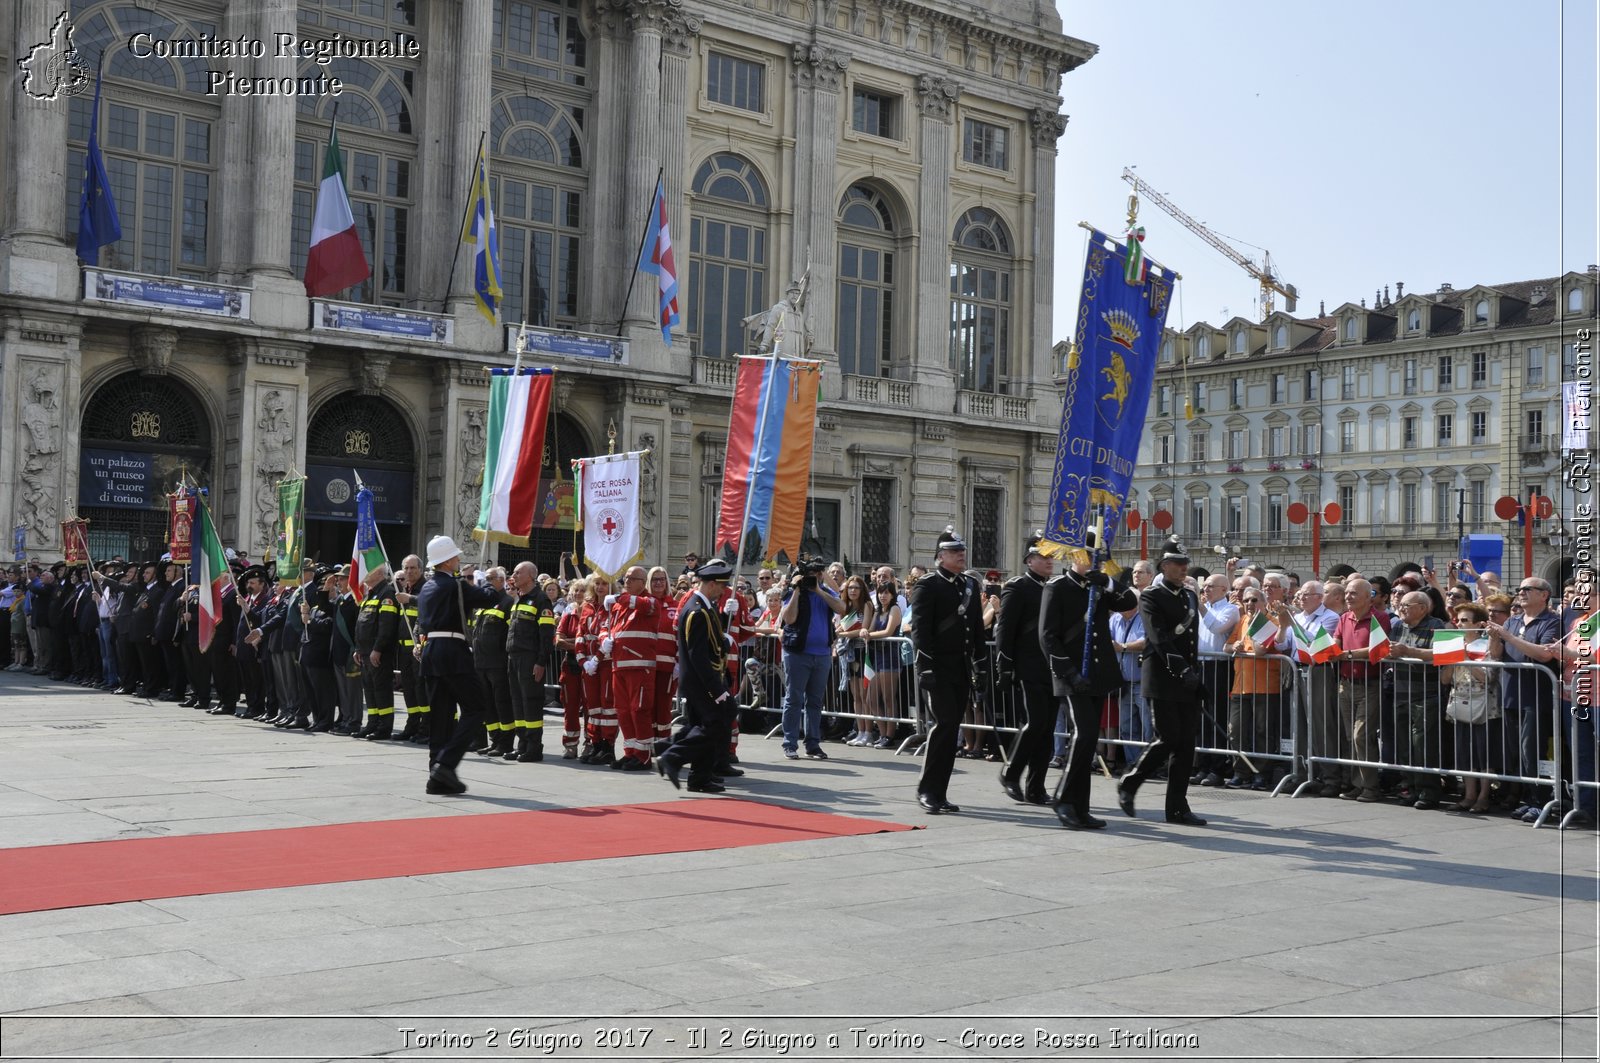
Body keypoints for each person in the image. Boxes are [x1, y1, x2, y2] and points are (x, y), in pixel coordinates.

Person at [1042, 541, 1135, 829]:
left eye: (1100, 558)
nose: (1096, 562)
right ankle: (1065, 798)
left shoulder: (1099, 587)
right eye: (1091, 557)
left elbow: (1130, 603)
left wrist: (1109, 582)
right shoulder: (1056, 588)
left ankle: (1080, 807)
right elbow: (1048, 637)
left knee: (1089, 738)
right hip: (1071, 676)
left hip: (1096, 675)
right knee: (1083, 736)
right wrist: (1069, 673)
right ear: (1074, 557)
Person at [1116, 538, 1208, 826]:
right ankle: (1131, 781)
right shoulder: (1151, 596)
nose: (1184, 569)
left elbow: (1190, 641)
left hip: (1185, 678)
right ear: (1164, 566)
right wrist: (1182, 670)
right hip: (1162, 678)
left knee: (1185, 745)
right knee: (1166, 738)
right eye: (1179, 565)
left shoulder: (1189, 596)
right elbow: (1158, 638)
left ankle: (1177, 808)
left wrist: (1193, 673)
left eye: (1185, 564)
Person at [417, 535, 503, 795]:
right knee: (476, 708)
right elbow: (488, 599)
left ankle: (437, 776)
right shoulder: (454, 585)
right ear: (447, 560)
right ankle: (446, 763)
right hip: (452, 651)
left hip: (432, 652)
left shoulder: (427, 588)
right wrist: (487, 581)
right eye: (455, 556)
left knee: (440, 716)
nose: (458, 559)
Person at [910, 529, 986, 814]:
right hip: (938, 667)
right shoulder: (927, 585)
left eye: (962, 551)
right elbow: (921, 630)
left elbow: (976, 628)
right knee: (944, 726)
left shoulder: (968, 585)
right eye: (955, 552)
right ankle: (928, 790)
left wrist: (981, 665)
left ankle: (940, 792)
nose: (961, 555)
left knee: (952, 727)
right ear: (941, 557)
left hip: (961, 668)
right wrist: (925, 666)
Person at [657, 558, 739, 793]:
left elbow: (710, 643)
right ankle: (672, 756)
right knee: (715, 724)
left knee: (703, 725)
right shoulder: (697, 611)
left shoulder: (704, 608)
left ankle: (699, 776)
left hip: (703, 680)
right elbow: (698, 656)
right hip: (701, 682)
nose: (723, 591)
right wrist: (717, 689)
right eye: (722, 586)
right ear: (712, 584)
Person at [995, 533, 1055, 805]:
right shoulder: (1017, 587)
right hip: (1026, 665)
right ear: (1029, 560)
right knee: (1035, 723)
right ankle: (1011, 773)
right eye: (1043, 557)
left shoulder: (1054, 587)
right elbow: (1005, 630)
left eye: (1051, 556)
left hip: (1051, 667)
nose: (1049, 561)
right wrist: (1004, 666)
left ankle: (1036, 787)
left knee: (1047, 729)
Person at [777, 559, 848, 760]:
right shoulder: (792, 592)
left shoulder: (825, 592)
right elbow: (789, 619)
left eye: (819, 573)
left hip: (822, 654)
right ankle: (790, 743)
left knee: (815, 702)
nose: (815, 577)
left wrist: (818, 591)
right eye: (812, 574)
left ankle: (813, 744)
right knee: (794, 699)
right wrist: (797, 589)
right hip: (797, 653)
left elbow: (842, 608)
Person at [604, 565, 661, 770]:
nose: (626, 582)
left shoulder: (651, 601)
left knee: (640, 710)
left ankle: (643, 755)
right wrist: (605, 640)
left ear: (642, 582)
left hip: (640, 666)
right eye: (625, 578)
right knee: (623, 711)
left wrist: (619, 598)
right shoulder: (620, 605)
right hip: (619, 665)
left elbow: (644, 605)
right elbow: (607, 627)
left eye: (631, 578)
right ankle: (630, 752)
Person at [505, 560, 555, 762]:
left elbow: (546, 636)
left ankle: (534, 748)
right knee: (517, 703)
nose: (514, 576)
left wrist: (541, 662)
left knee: (531, 703)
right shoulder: (518, 599)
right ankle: (522, 745)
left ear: (530, 576)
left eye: (518, 573)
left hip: (529, 659)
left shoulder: (541, 600)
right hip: (513, 658)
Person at [470, 566, 516, 757]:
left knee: (501, 704)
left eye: (491, 578)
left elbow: (509, 634)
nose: (487, 581)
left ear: (501, 580)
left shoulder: (507, 602)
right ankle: (495, 739)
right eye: (485, 578)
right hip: (480, 662)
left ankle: (505, 743)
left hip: (497, 662)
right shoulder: (483, 604)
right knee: (487, 704)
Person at [353, 564, 402, 740]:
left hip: (378, 653)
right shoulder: (371, 594)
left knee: (381, 690)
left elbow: (386, 626)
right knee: (370, 690)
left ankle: (384, 727)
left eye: (370, 570)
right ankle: (372, 723)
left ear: (380, 573)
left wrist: (378, 649)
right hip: (365, 652)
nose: (365, 574)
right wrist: (358, 648)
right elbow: (362, 623)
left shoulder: (387, 594)